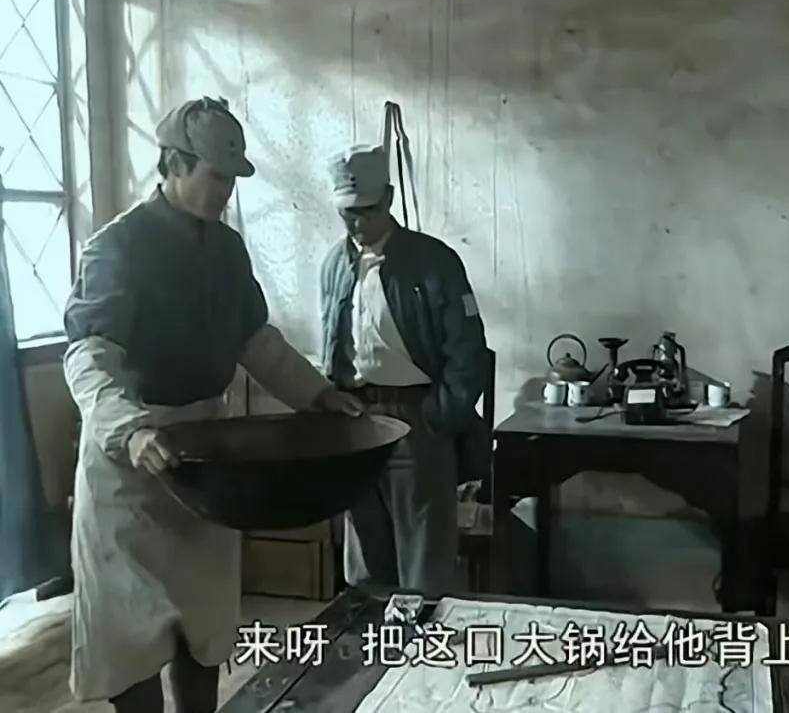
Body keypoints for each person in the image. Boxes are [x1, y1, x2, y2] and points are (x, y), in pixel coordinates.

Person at [62, 96, 365, 713]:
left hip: (206, 462)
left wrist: (317, 394)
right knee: (130, 636)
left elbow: (256, 341)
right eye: (215, 176)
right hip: (132, 469)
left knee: (204, 628)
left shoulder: (227, 250)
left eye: (232, 179)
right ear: (174, 164)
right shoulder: (118, 248)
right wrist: (130, 429)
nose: (225, 191)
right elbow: (88, 357)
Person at [320, 130, 489, 596]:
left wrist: (440, 416)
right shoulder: (334, 264)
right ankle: (371, 637)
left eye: (368, 210)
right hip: (355, 417)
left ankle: (422, 636)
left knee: (424, 555)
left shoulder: (434, 262)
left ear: (390, 199)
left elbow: (467, 350)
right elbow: (332, 344)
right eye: (348, 213)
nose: (358, 222)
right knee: (364, 553)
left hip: (417, 418)